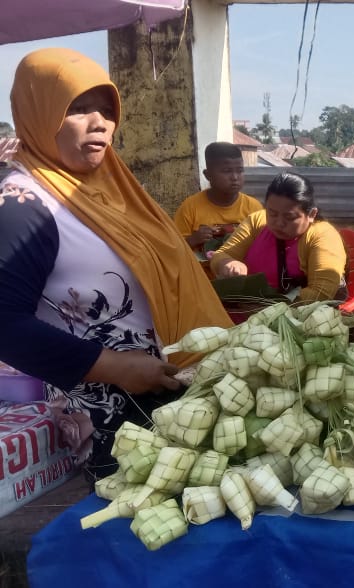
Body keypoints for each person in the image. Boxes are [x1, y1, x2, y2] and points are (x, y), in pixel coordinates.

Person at [0, 48, 233, 480]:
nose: (100, 122)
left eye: (107, 110)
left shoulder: (113, 189)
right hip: (116, 418)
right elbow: (4, 324)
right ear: (38, 112)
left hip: (176, 398)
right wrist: (117, 367)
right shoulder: (24, 205)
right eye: (78, 109)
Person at [210, 172, 347, 303]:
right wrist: (227, 263)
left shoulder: (322, 236)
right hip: (246, 308)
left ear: (311, 214)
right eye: (272, 213)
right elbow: (221, 255)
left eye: (289, 217)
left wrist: (268, 306)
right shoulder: (258, 221)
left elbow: (320, 293)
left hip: (292, 317)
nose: (278, 223)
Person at [173, 142, 263, 252]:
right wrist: (192, 240)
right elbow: (174, 251)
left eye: (239, 170)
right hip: (202, 269)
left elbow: (265, 246)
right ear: (208, 175)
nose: (235, 177)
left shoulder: (254, 208)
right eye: (227, 171)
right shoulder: (190, 208)